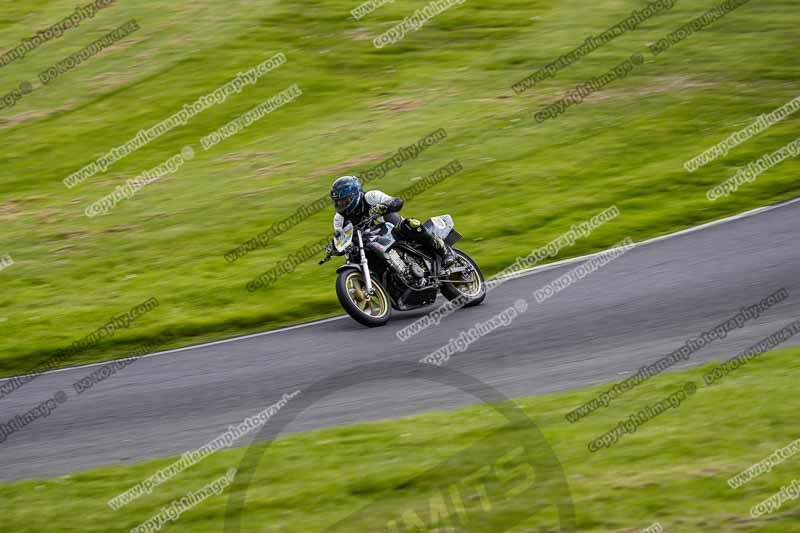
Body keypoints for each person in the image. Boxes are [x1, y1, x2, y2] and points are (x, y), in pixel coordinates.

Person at [329, 175, 454, 267]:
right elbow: (341, 238)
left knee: (409, 223)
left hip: (395, 231)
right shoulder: (339, 218)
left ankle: (444, 251)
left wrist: (383, 207)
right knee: (354, 256)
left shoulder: (371, 197)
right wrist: (334, 247)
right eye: (338, 201)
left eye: (344, 200)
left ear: (354, 194)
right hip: (369, 243)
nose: (341, 204)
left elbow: (397, 201)